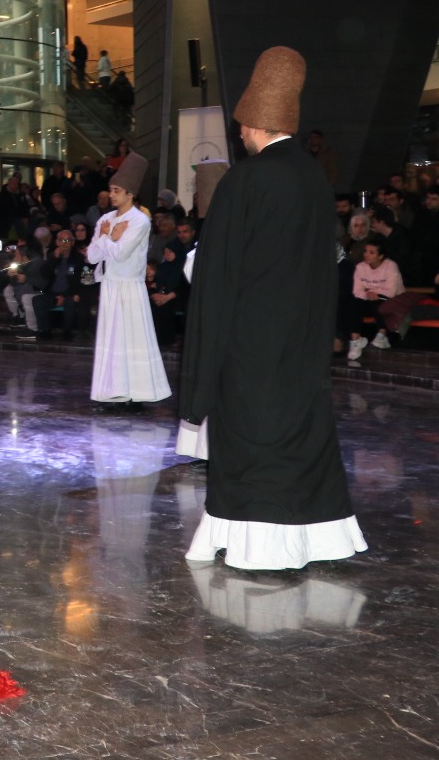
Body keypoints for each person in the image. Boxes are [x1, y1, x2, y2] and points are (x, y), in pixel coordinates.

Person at [180, 45, 366, 571]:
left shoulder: (246, 179)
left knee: (252, 438)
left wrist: (202, 366)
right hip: (302, 340)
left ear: (250, 123)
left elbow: (216, 273)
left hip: (251, 342)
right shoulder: (314, 179)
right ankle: (316, 540)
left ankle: (257, 545)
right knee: (301, 434)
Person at [85, 151, 170, 408]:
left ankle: (137, 395)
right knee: (112, 342)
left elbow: (122, 253)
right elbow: (91, 256)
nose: (111, 195)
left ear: (130, 194)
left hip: (130, 287)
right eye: (110, 190)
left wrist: (108, 240)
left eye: (116, 191)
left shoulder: (140, 221)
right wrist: (109, 237)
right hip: (110, 285)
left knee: (132, 340)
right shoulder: (105, 219)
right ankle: (113, 393)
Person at [344, 238, 402, 361]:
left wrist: (375, 293)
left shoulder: (391, 266)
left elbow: (391, 291)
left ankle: (382, 335)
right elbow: (357, 290)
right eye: (365, 251)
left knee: (379, 304)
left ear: (381, 256)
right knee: (354, 304)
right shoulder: (360, 267)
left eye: (372, 252)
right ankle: (356, 341)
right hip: (369, 298)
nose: (366, 254)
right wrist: (368, 294)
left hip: (392, 300)